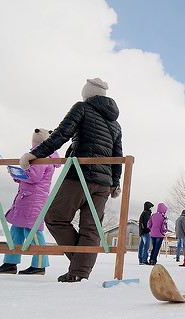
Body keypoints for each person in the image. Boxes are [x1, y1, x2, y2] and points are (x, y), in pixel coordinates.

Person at [19, 78, 123, 282]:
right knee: (91, 227)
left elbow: (61, 134)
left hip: (79, 175)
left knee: (55, 217)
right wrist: (115, 182)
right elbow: (118, 153)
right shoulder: (115, 123)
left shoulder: (82, 107)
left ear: (87, 94)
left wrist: (35, 154)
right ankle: (79, 271)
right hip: (103, 182)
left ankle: (78, 265)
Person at [0, 128, 60, 275]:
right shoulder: (37, 156)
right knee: (16, 231)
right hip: (26, 197)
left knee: (33, 231)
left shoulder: (43, 157)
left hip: (34, 199)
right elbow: (29, 176)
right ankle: (10, 263)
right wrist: (17, 174)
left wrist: (21, 171)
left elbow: (34, 177)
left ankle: (39, 265)